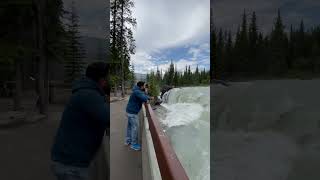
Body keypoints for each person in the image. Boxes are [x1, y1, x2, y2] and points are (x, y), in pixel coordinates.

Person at [51, 62, 110, 180]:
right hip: (72, 165)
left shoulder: (86, 91)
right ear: (101, 80)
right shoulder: (89, 95)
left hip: (70, 160)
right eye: (107, 78)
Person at [125, 81, 152, 151]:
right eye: (144, 86)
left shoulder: (136, 90)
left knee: (130, 127)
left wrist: (146, 95)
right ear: (141, 86)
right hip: (133, 113)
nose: (144, 87)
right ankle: (133, 144)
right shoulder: (137, 92)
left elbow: (143, 96)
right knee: (135, 128)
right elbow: (144, 98)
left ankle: (128, 141)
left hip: (129, 111)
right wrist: (147, 93)